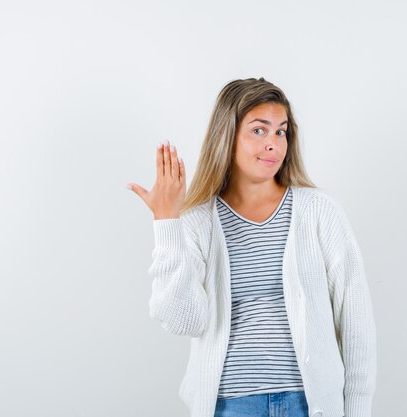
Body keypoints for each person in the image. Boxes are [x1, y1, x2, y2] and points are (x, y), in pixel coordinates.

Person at [127, 77, 377, 417]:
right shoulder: (199, 221)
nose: (273, 143)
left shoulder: (319, 211)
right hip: (229, 406)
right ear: (228, 137)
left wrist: (358, 410)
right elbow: (183, 321)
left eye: (281, 131)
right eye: (259, 130)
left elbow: (356, 320)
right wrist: (167, 222)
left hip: (308, 404)